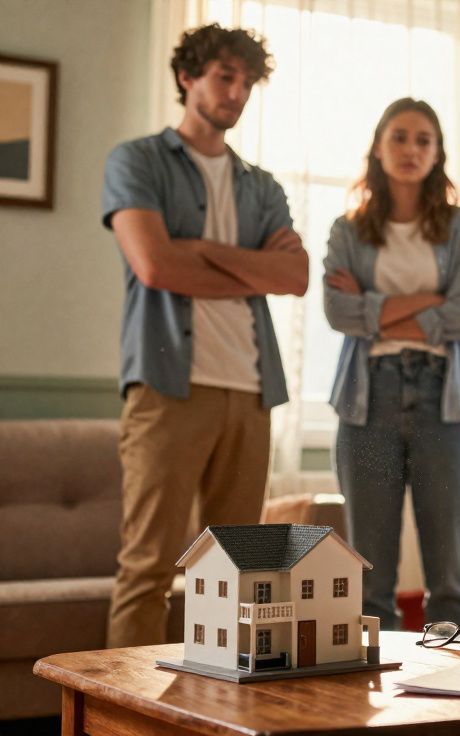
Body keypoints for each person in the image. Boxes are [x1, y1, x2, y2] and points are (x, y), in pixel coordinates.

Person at [102, 24, 308, 648]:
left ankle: (216, 711)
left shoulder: (262, 186)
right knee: (147, 569)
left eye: (247, 82)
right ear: (188, 78)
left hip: (250, 392)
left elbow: (295, 276)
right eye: (225, 76)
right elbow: (155, 267)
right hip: (168, 388)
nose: (237, 92)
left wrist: (201, 251)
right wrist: (250, 267)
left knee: (237, 576)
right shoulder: (136, 161)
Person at [323, 98, 460, 630]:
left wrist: (372, 312)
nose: (411, 149)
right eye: (400, 137)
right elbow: (337, 312)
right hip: (367, 400)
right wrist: (428, 299)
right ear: (378, 145)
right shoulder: (347, 231)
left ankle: (456, 702)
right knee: (370, 585)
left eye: (423, 140)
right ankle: (380, 706)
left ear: (438, 153)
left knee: (450, 583)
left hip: (445, 400)